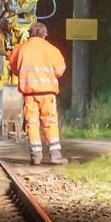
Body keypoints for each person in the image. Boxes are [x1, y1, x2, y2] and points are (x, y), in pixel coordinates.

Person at [8, 22, 68, 165]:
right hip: (47, 94)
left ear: (30, 34)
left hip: (29, 94)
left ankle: (36, 155)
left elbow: (14, 68)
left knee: (32, 123)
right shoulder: (51, 49)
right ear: (44, 35)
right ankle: (55, 155)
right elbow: (60, 70)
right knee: (50, 121)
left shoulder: (21, 49)